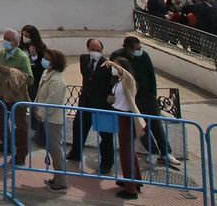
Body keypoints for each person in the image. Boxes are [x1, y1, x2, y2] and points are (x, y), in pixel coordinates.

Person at [113, 35, 181, 169]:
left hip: (147, 96)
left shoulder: (144, 56)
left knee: (156, 124)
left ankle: (166, 152)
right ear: (128, 49)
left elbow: (151, 76)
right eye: (136, 49)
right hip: (132, 98)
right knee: (141, 126)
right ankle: (153, 151)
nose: (139, 50)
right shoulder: (118, 57)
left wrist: (153, 95)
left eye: (140, 48)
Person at [67, 38, 116, 173]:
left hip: (101, 105)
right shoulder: (84, 59)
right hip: (85, 103)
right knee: (79, 128)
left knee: (106, 136)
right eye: (93, 50)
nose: (95, 53)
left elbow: (112, 83)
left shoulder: (108, 65)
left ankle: (106, 163)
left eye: (98, 50)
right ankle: (75, 153)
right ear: (88, 49)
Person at [0, 29, 33, 165]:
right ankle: (7, 144)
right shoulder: (2, 53)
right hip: (2, 93)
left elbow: (30, 79)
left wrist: (11, 72)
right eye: (4, 38)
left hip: (16, 96)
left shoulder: (22, 57)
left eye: (8, 39)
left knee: (20, 126)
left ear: (16, 42)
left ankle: (21, 155)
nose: (5, 41)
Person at [106, 56, 142, 199]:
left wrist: (112, 64)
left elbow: (126, 75)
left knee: (126, 152)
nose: (114, 69)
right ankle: (134, 180)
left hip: (126, 117)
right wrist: (112, 100)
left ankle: (130, 189)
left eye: (117, 66)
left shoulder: (128, 79)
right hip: (120, 115)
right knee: (128, 150)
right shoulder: (119, 81)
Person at [38, 48, 70, 191]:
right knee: (51, 148)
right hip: (46, 118)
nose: (44, 60)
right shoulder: (47, 74)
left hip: (53, 120)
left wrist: (41, 113)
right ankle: (56, 177)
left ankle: (61, 181)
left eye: (47, 58)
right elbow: (41, 94)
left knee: (56, 150)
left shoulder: (57, 80)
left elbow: (52, 101)